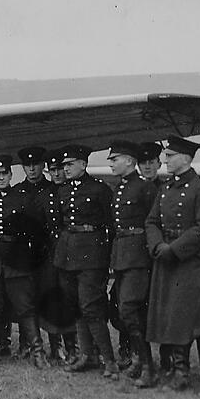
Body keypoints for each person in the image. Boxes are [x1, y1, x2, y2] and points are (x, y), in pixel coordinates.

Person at [145, 136, 200, 393]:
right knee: (174, 316)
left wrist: (174, 249)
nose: (165, 160)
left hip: (193, 264)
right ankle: (180, 372)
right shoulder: (165, 189)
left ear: (187, 159)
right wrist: (158, 246)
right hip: (168, 263)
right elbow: (152, 222)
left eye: (170, 156)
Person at [0, 155, 48, 367]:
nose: (2, 178)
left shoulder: (23, 199)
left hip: (17, 261)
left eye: (5, 173)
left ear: (11, 174)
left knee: (25, 307)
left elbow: (36, 232)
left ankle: (37, 352)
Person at [55, 144, 119, 379]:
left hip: (92, 255)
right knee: (76, 307)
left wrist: (108, 255)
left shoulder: (100, 190)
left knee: (91, 307)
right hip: (67, 254)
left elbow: (110, 224)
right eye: (64, 165)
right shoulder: (61, 191)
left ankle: (109, 360)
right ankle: (87, 355)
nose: (66, 169)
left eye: (70, 164)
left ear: (83, 164)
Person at [106, 141, 158, 386]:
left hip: (138, 257)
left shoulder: (145, 188)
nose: (111, 163)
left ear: (129, 160)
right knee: (125, 311)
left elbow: (153, 223)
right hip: (122, 256)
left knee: (130, 309)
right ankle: (140, 358)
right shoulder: (120, 187)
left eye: (115, 158)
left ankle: (147, 364)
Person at [35, 149, 78, 364]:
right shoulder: (45, 195)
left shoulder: (75, 191)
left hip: (72, 253)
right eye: (52, 170)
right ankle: (56, 345)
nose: (57, 173)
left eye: (60, 169)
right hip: (51, 254)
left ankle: (73, 346)